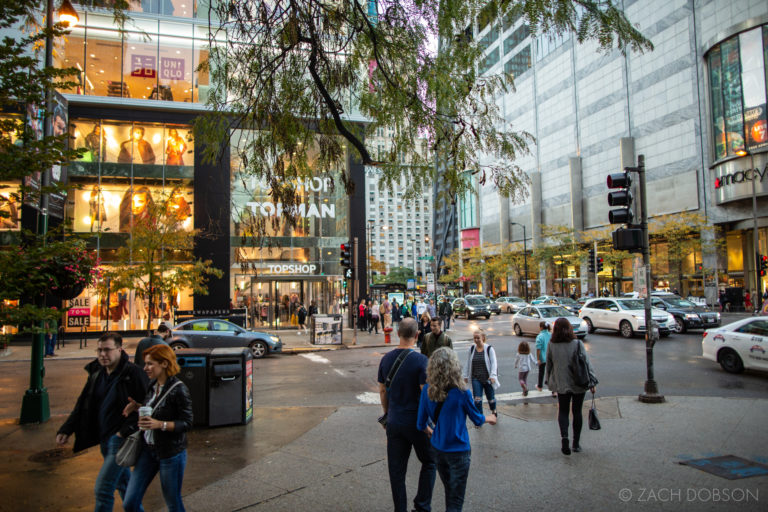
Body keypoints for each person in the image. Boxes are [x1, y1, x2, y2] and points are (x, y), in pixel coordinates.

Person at [56, 332, 149, 512]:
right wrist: (67, 429)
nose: (102, 355)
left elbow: (146, 405)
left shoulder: (133, 373)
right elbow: (83, 403)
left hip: (120, 440)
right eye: (99, 350)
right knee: (124, 486)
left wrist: (123, 432)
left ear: (119, 350)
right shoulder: (96, 373)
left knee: (103, 489)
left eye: (107, 350)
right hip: (104, 439)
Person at [417, 348, 496, 512]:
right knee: (456, 500)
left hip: (438, 449)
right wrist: (490, 418)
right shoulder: (462, 392)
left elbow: (420, 423)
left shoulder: (427, 390)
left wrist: (433, 433)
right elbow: (477, 418)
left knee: (449, 492)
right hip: (459, 450)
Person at [122, 344, 193, 512]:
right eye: (145, 363)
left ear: (165, 364)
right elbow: (154, 410)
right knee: (130, 502)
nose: (145, 368)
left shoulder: (179, 389)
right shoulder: (152, 385)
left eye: (150, 364)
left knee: (173, 503)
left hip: (171, 454)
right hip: (148, 450)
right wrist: (138, 407)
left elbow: (187, 423)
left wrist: (160, 425)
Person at [377, 318, 436, 512]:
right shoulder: (421, 361)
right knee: (429, 462)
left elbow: (383, 391)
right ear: (417, 335)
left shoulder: (385, 359)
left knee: (396, 471)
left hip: (394, 421)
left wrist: (387, 415)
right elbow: (426, 395)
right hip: (417, 422)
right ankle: (421, 505)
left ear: (397, 334)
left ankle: (400, 509)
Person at [546, 317, 598, 455]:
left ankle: (564, 437)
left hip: (562, 383)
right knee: (577, 412)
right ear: (569, 328)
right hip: (578, 382)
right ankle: (576, 443)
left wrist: (548, 381)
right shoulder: (577, 343)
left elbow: (549, 365)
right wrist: (592, 381)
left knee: (563, 411)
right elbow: (586, 363)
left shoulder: (552, 344)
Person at [463, 329, 499, 416]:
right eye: (474, 338)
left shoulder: (489, 349)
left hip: (488, 378)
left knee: (491, 398)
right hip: (476, 378)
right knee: (477, 400)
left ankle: (493, 410)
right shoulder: (471, 349)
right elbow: (468, 362)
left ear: (483, 338)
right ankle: (480, 417)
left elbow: (494, 363)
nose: (476, 340)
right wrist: (465, 375)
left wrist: (493, 375)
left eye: (478, 338)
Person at [535, 322, 551, 392]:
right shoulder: (551, 335)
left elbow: (538, 348)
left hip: (542, 357)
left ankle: (540, 386)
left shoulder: (540, 336)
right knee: (551, 373)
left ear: (541, 327)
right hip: (550, 357)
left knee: (541, 372)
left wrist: (538, 359)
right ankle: (554, 390)